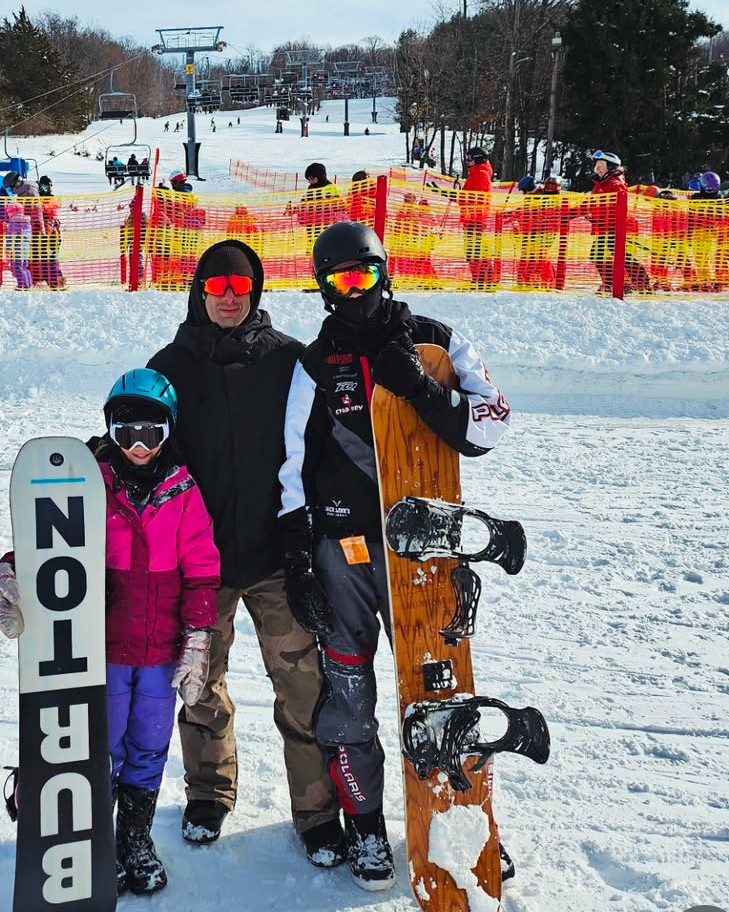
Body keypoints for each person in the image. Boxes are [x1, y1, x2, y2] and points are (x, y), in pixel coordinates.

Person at [278, 221, 510, 890]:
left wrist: (423, 392)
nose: (357, 292)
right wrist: (298, 559)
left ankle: (461, 818)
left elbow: (492, 425)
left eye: (366, 275)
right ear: (324, 288)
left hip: (427, 543)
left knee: (441, 679)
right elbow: (291, 467)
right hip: (347, 546)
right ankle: (368, 825)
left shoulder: (435, 338)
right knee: (348, 686)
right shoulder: (315, 362)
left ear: (386, 271)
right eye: (341, 280)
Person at [146, 240, 343, 867]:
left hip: (276, 560)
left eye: (239, 289)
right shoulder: (170, 366)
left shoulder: (289, 361)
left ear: (254, 292)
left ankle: (316, 812)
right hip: (200, 563)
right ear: (200, 291)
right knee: (200, 682)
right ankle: (209, 791)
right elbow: (135, 444)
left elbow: (326, 444)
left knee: (305, 690)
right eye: (216, 288)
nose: (228, 300)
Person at [0, 368, 220, 895]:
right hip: (105, 652)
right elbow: (50, 544)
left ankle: (135, 837)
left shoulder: (183, 492)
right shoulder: (86, 484)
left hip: (161, 654)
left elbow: (203, 571)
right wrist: (11, 569)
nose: (139, 445)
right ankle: (96, 842)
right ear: (110, 431)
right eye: (126, 432)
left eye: (152, 432)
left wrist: (198, 638)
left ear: (169, 431)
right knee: (101, 746)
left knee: (150, 746)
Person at [578, 150, 650, 293]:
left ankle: (635, 282)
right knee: (601, 254)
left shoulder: (615, 184)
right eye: (596, 166)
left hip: (615, 228)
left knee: (611, 254)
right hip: (604, 228)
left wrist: (597, 217)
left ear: (610, 167)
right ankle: (619, 282)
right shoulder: (601, 183)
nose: (597, 169)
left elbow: (615, 207)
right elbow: (591, 203)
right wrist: (580, 212)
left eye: (600, 166)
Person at [460, 146, 495, 289]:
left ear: (478, 159)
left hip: (476, 219)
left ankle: (483, 280)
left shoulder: (481, 174)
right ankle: (479, 279)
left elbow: (469, 197)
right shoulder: (476, 173)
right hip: (471, 219)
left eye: (470, 159)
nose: (467, 161)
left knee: (476, 251)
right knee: (473, 251)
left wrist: (452, 195)